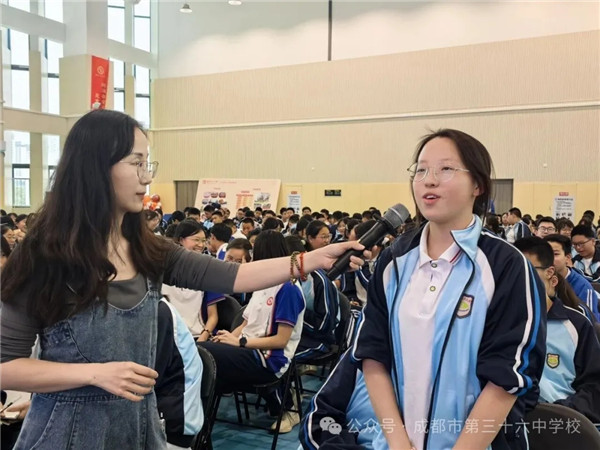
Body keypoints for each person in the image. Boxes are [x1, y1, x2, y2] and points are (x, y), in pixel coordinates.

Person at [0, 110, 365, 449]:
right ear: (96, 166)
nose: (147, 176)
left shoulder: (148, 251)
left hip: (138, 430)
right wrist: (93, 375)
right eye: (136, 163)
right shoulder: (42, 256)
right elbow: (5, 367)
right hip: (66, 434)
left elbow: (236, 276)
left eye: (148, 163)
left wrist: (309, 260)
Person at [352, 129, 546, 450]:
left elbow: (507, 375)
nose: (429, 181)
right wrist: (397, 441)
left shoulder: (506, 266)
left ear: (477, 185)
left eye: (446, 169)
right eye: (421, 170)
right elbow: (373, 353)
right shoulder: (394, 259)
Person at [200, 230, 307, 434]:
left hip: (269, 359)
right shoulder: (263, 282)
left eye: (255, 251)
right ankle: (199, 423)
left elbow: (281, 340)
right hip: (248, 349)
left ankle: (287, 407)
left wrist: (240, 342)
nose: (251, 257)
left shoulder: (289, 289)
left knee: (202, 352)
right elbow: (246, 323)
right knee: (204, 351)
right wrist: (229, 337)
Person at [514, 237, 600, 424]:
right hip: (510, 419)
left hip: (561, 421)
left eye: (526, 271)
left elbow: (594, 387)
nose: (517, 279)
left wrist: (561, 412)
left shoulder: (576, 324)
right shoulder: (501, 323)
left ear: (549, 273)